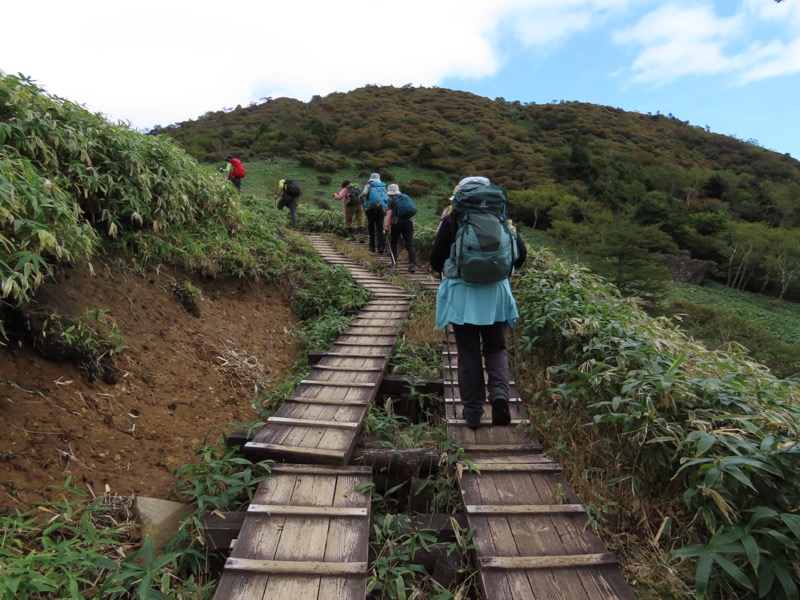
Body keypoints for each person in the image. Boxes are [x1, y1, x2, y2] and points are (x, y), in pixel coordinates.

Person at [429, 176, 527, 430]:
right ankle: (500, 397)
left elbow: (435, 260)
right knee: (496, 347)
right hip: (496, 295)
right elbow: (520, 256)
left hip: (463, 296)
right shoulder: (500, 216)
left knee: (468, 352)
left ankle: (472, 412)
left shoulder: (453, 216)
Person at [383, 183, 417, 272]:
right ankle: (412, 264)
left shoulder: (391, 200)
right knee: (409, 244)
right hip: (409, 222)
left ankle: (393, 262)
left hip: (396, 223)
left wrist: (386, 227)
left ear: (390, 193)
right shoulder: (405, 197)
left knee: (393, 242)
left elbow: (389, 214)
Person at [360, 173, 387, 253]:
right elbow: (386, 195)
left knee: (371, 227)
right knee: (380, 227)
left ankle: (372, 247)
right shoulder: (382, 186)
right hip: (381, 209)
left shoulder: (368, 185)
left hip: (370, 209)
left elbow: (364, 194)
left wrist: (360, 196)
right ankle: (381, 247)